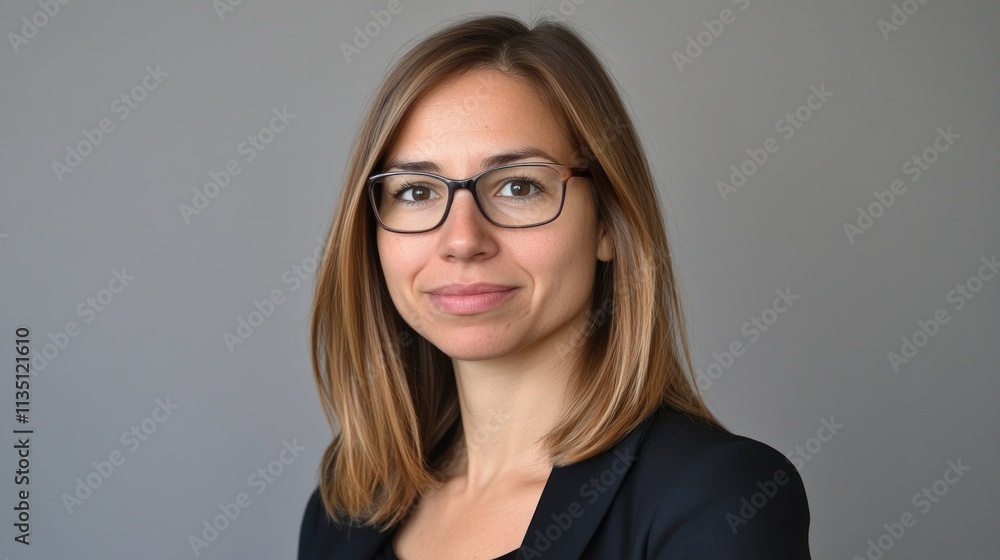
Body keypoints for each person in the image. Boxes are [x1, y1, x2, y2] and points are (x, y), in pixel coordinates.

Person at [299, 14, 811, 560]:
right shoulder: (344, 510)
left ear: (610, 224)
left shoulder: (715, 497)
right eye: (416, 192)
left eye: (519, 186)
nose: (462, 240)